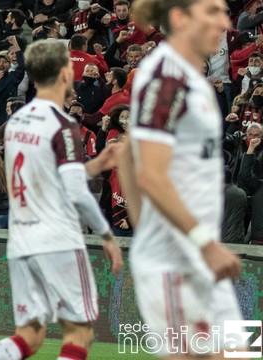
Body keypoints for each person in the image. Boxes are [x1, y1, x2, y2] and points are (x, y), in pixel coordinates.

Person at [0, 40, 123, 360]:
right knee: (79, 332)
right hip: (57, 238)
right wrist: (106, 234)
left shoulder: (15, 123)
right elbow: (73, 190)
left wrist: (96, 165)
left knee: (29, 336)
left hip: (22, 239)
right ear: (64, 75)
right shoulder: (63, 125)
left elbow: (46, 176)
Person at [120, 0, 244, 357]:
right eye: (213, 12)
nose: (224, 23)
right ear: (179, 18)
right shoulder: (166, 78)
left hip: (199, 256)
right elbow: (151, 173)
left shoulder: (192, 79)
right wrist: (199, 242)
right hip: (176, 260)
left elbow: (128, 152)